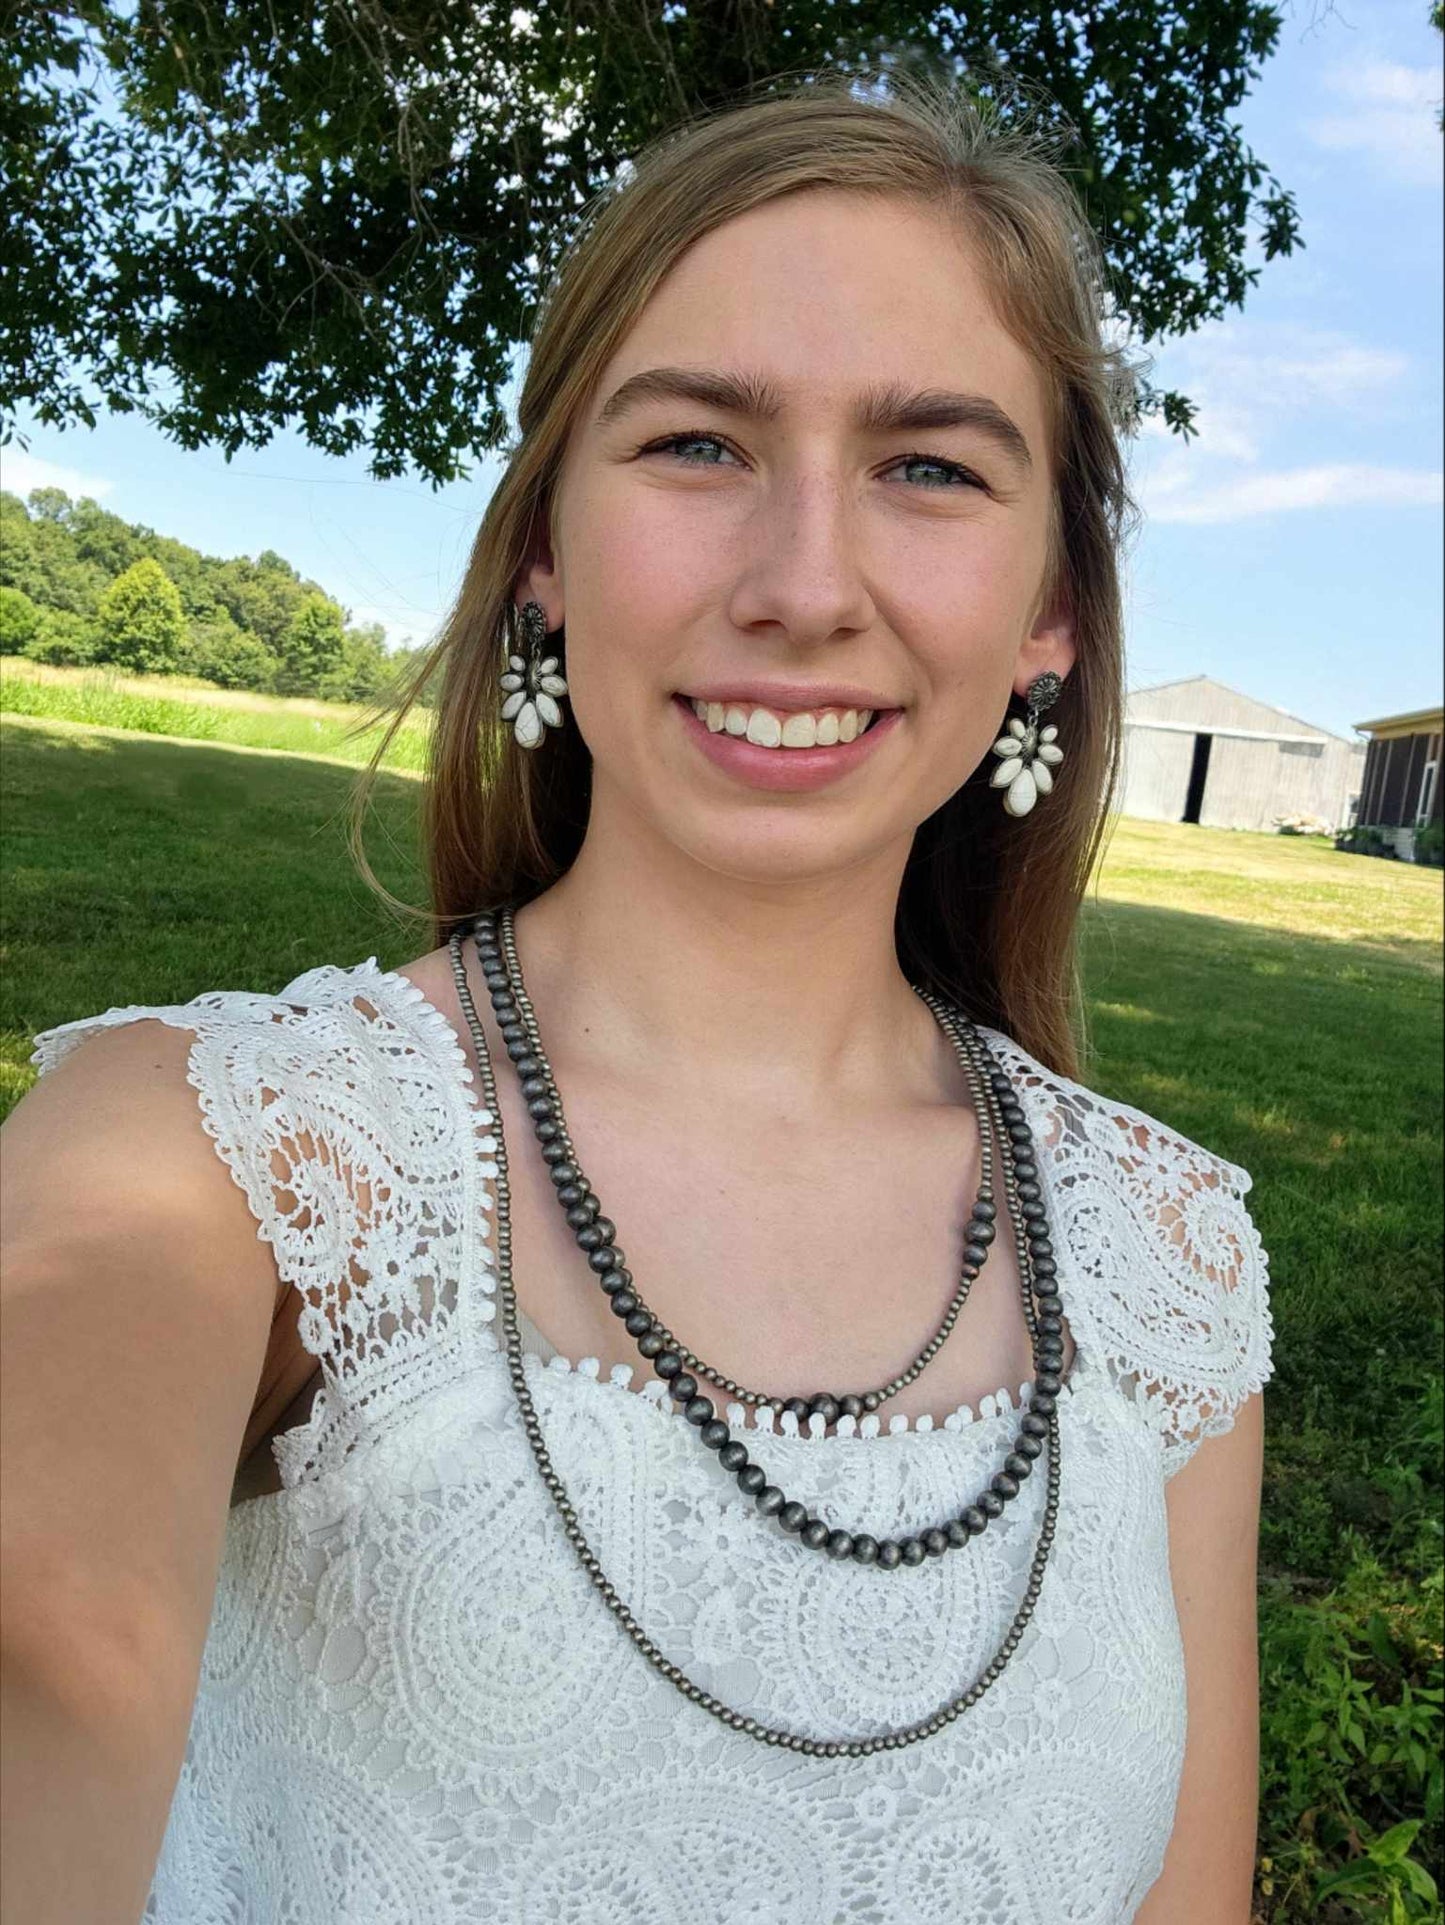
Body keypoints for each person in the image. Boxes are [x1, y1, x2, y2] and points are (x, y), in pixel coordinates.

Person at [0, 72, 1274, 1925]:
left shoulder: (1168, 1260)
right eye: (696, 445)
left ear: (1048, 612)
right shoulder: (206, 1156)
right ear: (540, 548)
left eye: (929, 465)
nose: (803, 586)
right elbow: (53, 1654)